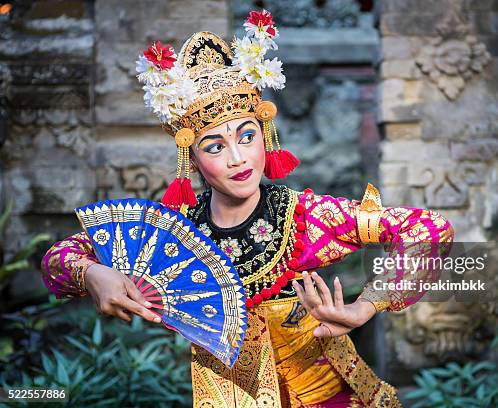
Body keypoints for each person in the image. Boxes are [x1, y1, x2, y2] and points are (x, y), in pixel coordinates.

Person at [40, 11, 454, 408]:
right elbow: (58, 259)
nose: (238, 158)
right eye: (215, 146)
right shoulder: (173, 234)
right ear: (194, 159)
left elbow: (429, 230)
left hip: (330, 397)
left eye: (247, 136)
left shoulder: (304, 218)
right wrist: (94, 274)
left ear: (265, 135)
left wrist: (364, 307)